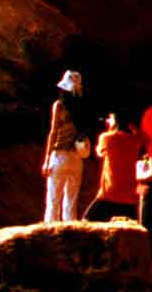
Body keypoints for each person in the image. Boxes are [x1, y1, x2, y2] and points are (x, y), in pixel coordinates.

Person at [41, 72, 87, 224]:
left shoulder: (59, 105)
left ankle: (51, 237)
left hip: (59, 155)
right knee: (70, 205)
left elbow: (53, 132)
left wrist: (47, 159)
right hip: (77, 157)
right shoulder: (82, 106)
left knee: (53, 202)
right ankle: (71, 238)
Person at [89, 113, 145, 220]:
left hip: (109, 195)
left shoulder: (106, 137)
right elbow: (142, 138)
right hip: (129, 197)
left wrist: (110, 129)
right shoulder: (135, 140)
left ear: (115, 122)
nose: (108, 120)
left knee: (87, 222)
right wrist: (132, 127)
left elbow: (100, 154)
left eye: (110, 118)